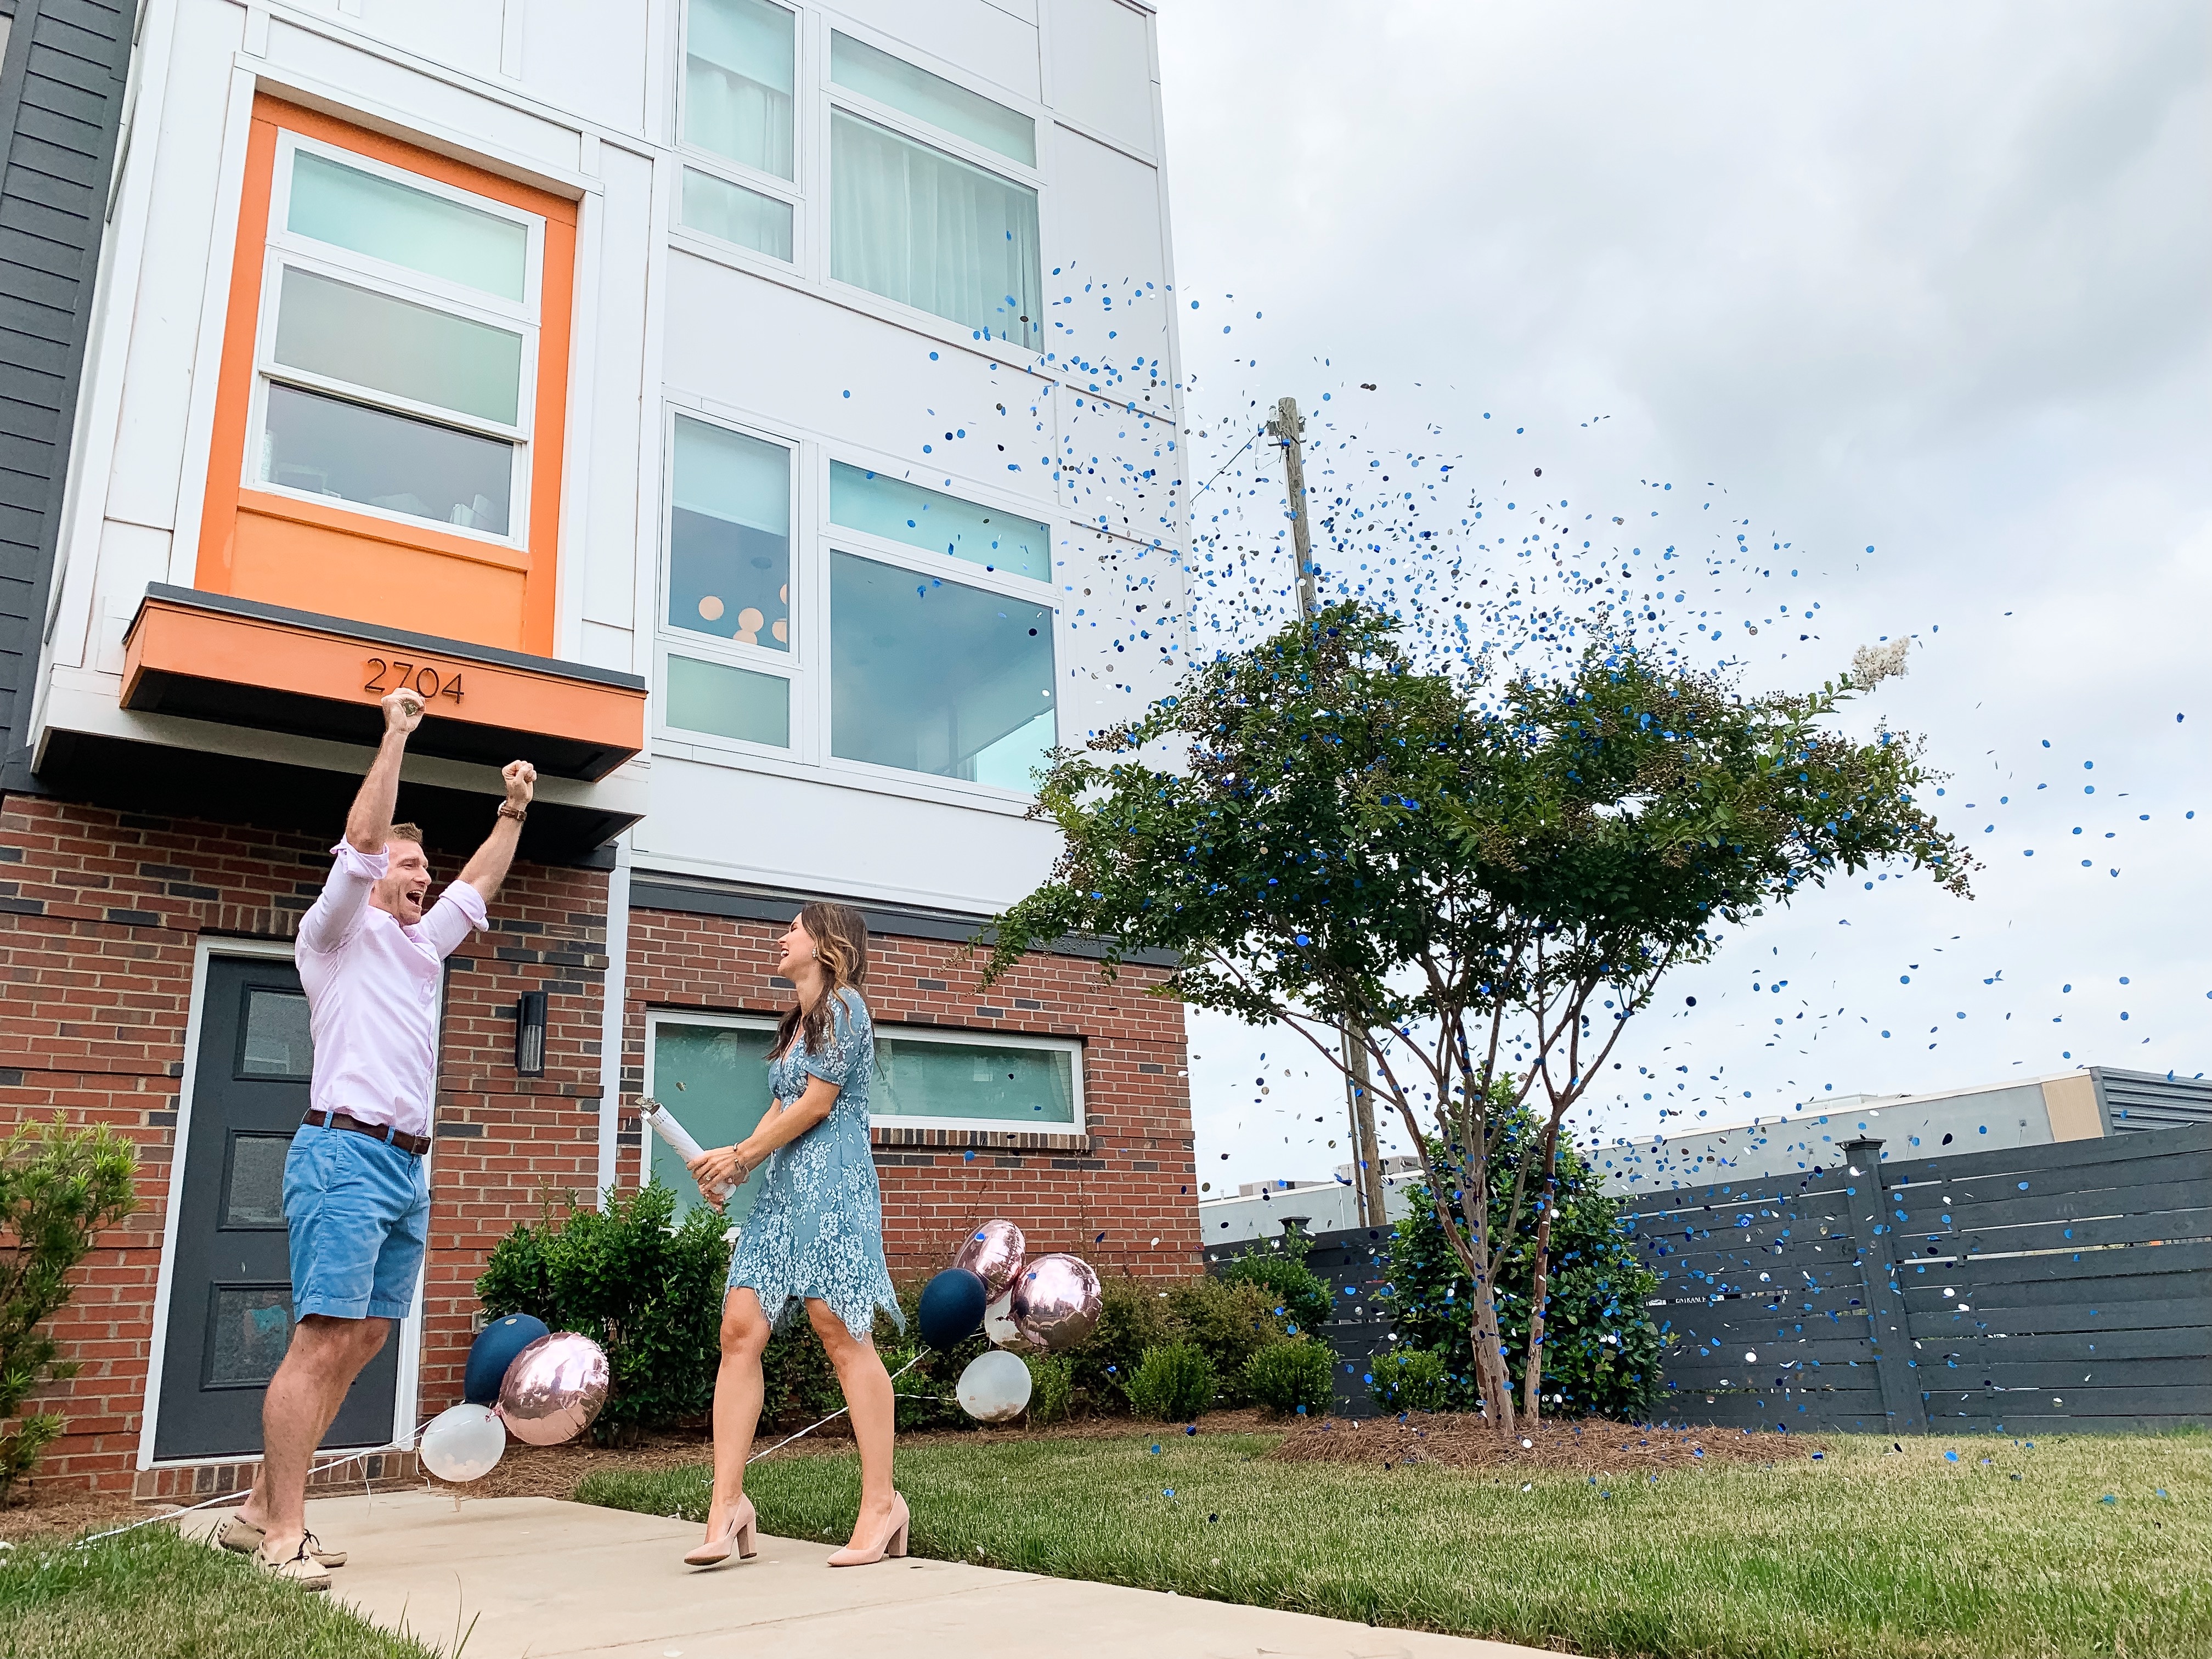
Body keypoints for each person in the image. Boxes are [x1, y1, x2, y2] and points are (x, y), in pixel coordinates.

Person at [219, 689, 537, 1589]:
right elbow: (360, 843)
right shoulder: (335, 935)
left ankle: (252, 1510)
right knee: (320, 1339)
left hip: (406, 1167)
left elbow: (477, 885)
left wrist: (513, 807)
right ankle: (285, 1531)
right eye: (409, 864)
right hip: (343, 1153)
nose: (422, 876)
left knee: (361, 1341)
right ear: (372, 876)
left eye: (423, 866)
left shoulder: (422, 948)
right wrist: (395, 735)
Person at [682, 902, 905, 1568]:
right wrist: (733, 1166)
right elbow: (781, 1106)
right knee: (739, 1329)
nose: (781, 938)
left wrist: (742, 1156)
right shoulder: (799, 1023)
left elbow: (817, 1105)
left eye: (793, 928)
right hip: (782, 1193)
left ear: (824, 943)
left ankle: (882, 1505)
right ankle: (726, 1508)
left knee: (839, 1331)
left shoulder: (845, 1007)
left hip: (834, 1189)